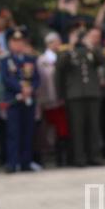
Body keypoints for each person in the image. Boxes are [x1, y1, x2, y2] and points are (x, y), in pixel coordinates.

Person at [55, 25, 104, 167]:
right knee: (77, 128)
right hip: (74, 95)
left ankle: (94, 156)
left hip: (92, 93)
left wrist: (90, 45)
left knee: (94, 127)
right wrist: (71, 46)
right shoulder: (66, 51)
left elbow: (101, 61)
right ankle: (79, 157)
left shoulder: (91, 50)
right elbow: (60, 67)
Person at [0, 27, 39, 173]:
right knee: (13, 133)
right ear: (9, 43)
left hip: (29, 100)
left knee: (28, 131)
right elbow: (6, 79)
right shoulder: (5, 60)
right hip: (13, 100)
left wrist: (31, 89)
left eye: (21, 41)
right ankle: (12, 163)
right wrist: (20, 89)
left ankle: (26, 162)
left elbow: (37, 78)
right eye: (15, 41)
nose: (18, 44)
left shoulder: (31, 59)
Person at [37, 32, 69, 167]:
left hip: (64, 99)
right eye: (56, 42)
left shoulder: (63, 56)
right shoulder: (42, 60)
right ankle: (56, 157)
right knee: (53, 129)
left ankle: (64, 157)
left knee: (64, 128)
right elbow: (42, 82)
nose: (58, 44)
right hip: (50, 100)